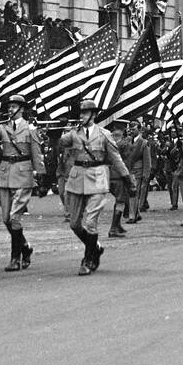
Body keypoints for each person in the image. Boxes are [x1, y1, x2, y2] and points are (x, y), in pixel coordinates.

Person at [64, 97, 133, 275]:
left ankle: (88, 259)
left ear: (94, 115)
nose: (82, 116)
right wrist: (56, 132)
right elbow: (60, 142)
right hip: (77, 178)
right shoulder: (73, 133)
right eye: (81, 112)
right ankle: (95, 246)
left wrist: (127, 178)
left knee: (90, 222)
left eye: (86, 112)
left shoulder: (104, 134)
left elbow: (116, 158)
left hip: (98, 178)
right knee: (74, 224)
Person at [0, 93, 45, 272]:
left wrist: (42, 175)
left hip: (23, 172)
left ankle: (15, 258)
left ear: (22, 109)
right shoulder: (2, 127)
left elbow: (36, 152)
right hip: (6, 173)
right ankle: (25, 247)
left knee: (15, 217)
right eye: (9, 107)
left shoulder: (29, 128)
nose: (10, 109)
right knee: (6, 218)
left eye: (14, 107)